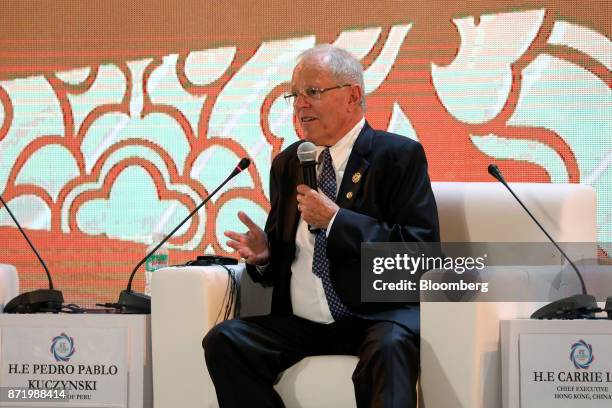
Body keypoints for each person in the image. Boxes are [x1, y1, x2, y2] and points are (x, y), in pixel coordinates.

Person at [203, 44, 440, 408]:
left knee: (390, 348)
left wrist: (337, 221)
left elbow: (420, 254)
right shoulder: (289, 162)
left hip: (373, 317)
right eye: (294, 95)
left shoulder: (397, 156)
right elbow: (280, 263)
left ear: (353, 96)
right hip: (302, 323)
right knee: (225, 341)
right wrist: (265, 256)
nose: (300, 105)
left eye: (312, 92)